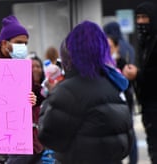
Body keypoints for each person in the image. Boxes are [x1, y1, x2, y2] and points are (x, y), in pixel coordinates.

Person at [38, 20, 133, 164]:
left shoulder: (67, 91)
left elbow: (49, 137)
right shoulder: (115, 85)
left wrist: (50, 96)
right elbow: (127, 143)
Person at [0, 15, 38, 164]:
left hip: (23, 137)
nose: (22, 47)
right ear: (4, 43)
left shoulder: (24, 67)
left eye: (25, 44)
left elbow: (31, 97)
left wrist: (34, 98)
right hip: (0, 138)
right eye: (18, 43)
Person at [122, 1, 157, 164]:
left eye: (145, 17)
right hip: (148, 108)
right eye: (138, 18)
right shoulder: (143, 43)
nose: (141, 22)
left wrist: (139, 74)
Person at [107, 35, 138, 164]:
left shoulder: (122, 63)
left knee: (129, 135)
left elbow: (127, 86)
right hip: (110, 107)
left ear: (117, 47)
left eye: (110, 47)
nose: (108, 50)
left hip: (124, 105)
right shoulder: (102, 65)